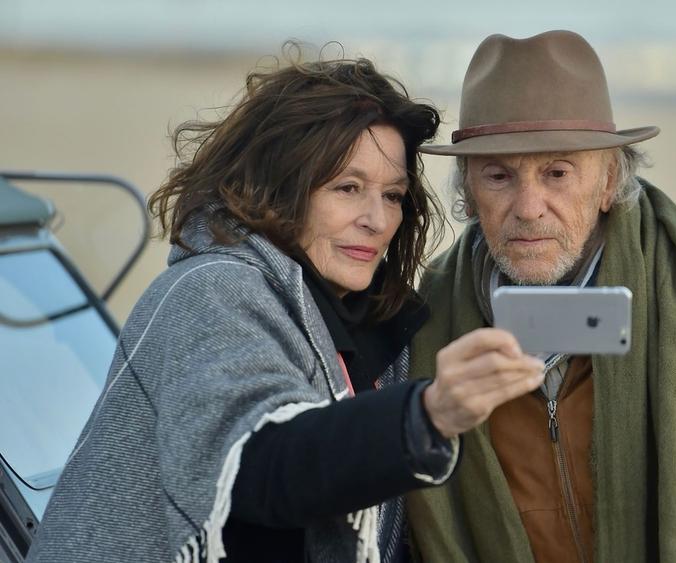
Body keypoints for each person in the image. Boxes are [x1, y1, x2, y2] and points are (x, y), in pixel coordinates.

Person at [26, 49, 545, 563]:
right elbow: (266, 463)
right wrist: (425, 415)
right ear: (279, 188)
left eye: (392, 195)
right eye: (348, 188)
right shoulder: (213, 289)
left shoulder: (371, 321)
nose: (377, 219)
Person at [406, 30, 676, 562]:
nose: (529, 207)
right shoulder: (427, 319)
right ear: (468, 192)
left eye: (557, 172)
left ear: (609, 181)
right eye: (498, 176)